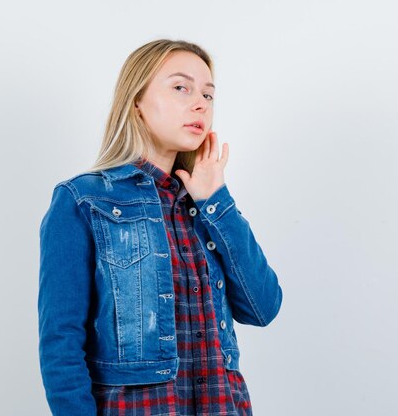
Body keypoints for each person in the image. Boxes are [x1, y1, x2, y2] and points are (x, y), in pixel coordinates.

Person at [37, 39, 283, 416]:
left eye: (208, 94)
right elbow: (61, 344)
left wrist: (216, 199)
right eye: (181, 88)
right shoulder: (83, 200)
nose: (200, 103)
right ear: (136, 101)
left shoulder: (207, 205)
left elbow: (262, 308)